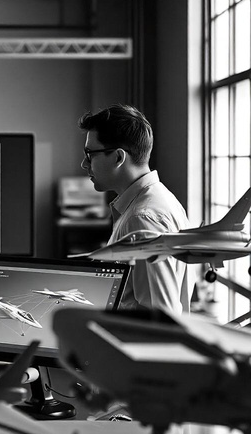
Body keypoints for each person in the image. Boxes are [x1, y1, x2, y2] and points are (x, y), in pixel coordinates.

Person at [79, 103, 193, 314]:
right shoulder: (161, 201)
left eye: (90, 154)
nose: (84, 165)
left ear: (118, 157)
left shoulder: (142, 219)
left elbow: (160, 318)